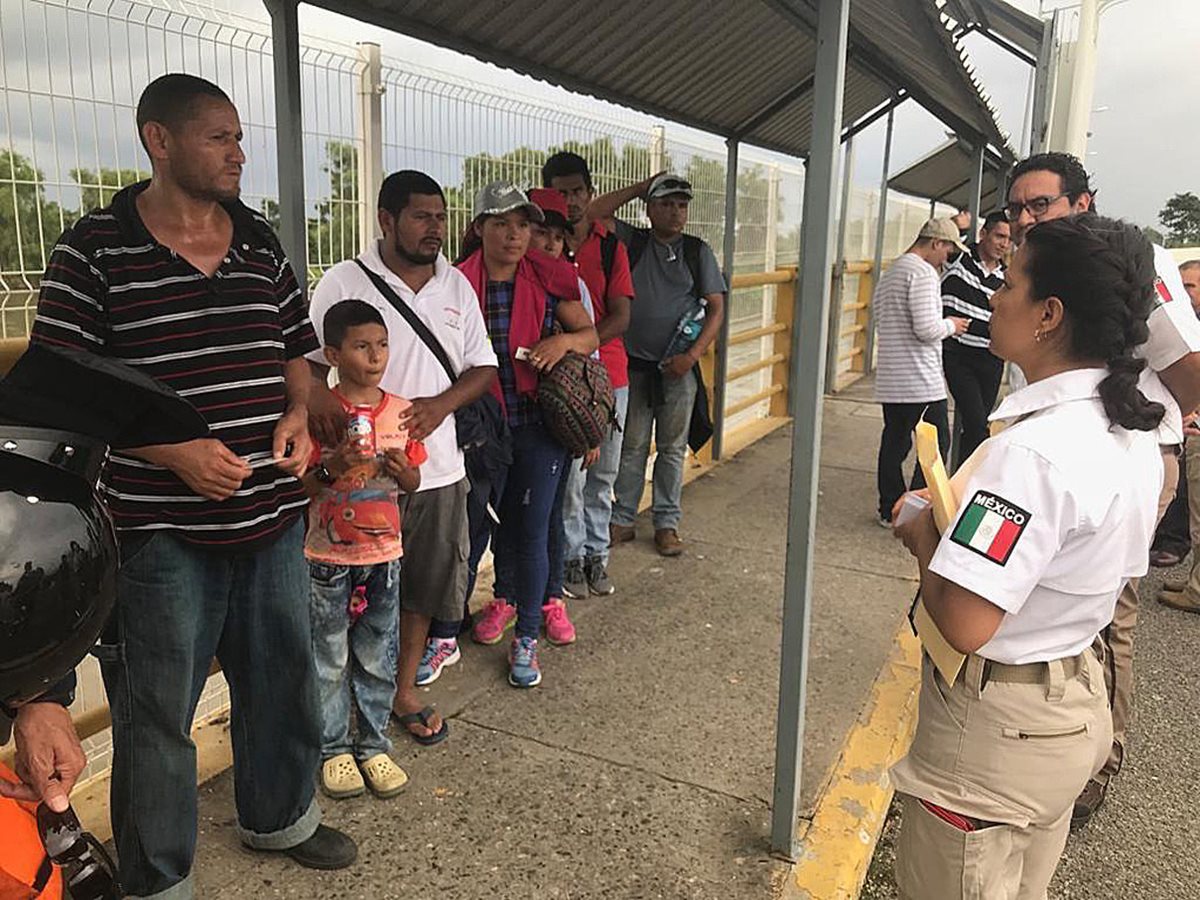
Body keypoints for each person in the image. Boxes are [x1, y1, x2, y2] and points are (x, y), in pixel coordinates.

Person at [27, 73, 357, 897]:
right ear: (159, 141)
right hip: (158, 528)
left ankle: (282, 818)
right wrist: (175, 453)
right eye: (220, 137)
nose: (239, 154)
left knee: (279, 678)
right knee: (156, 713)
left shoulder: (258, 239)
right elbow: (58, 392)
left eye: (240, 137)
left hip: (272, 512)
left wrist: (296, 408)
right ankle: (158, 875)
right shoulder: (92, 250)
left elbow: (296, 346)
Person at [891, 215, 1164, 899]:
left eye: (1008, 283)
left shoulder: (1032, 454)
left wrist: (922, 526)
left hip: (995, 738)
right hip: (1067, 704)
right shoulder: (1131, 432)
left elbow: (964, 620)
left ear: (1049, 313)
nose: (993, 297)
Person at [1004, 152, 1200, 825]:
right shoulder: (1039, 268)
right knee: (1054, 607)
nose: (1026, 218)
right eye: (1018, 209)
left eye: (1041, 205)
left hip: (1118, 448)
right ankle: (1051, 743)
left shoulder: (1125, 257)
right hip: (1065, 449)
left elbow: (1187, 361)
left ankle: (1095, 764)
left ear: (1082, 204)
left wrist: (1156, 429)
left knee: (1104, 612)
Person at [306, 171, 498, 725]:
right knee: (342, 596)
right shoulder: (344, 282)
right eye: (421, 216)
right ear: (387, 220)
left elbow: (483, 366)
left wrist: (440, 407)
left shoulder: (456, 284)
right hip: (355, 481)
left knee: (419, 589)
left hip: (432, 471)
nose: (435, 227)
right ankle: (338, 707)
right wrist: (335, 430)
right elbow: (307, 370)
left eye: (441, 216)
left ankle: (402, 690)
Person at [456, 181, 598, 687]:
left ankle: (528, 638)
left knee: (534, 530)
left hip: (537, 425)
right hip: (477, 431)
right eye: (501, 224)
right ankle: (448, 631)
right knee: (476, 532)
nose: (515, 235)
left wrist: (561, 342)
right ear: (480, 229)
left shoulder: (547, 278)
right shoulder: (454, 284)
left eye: (523, 225)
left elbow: (590, 336)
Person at [302, 300, 422, 800]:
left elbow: (416, 480)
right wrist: (333, 464)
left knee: (377, 655)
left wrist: (401, 471)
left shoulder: (401, 410)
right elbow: (307, 486)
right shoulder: (320, 414)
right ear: (332, 354)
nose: (375, 356)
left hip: (384, 558)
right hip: (326, 559)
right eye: (361, 346)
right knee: (327, 658)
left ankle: (373, 745)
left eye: (382, 345)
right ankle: (333, 750)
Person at [588, 172, 726, 557]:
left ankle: (667, 521)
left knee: (671, 447)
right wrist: (637, 187)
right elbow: (592, 213)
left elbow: (716, 307)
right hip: (635, 367)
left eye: (681, 205)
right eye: (665, 204)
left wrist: (692, 356)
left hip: (678, 369)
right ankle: (624, 517)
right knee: (631, 446)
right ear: (649, 209)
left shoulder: (697, 252)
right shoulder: (632, 242)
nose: (675, 213)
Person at [541, 151, 635, 597]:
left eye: (577, 191)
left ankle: (598, 554)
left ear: (590, 194)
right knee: (571, 477)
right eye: (561, 192)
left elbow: (620, 316)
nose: (571, 200)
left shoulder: (611, 245)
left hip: (609, 378)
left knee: (604, 473)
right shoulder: (543, 246)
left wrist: (581, 341)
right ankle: (572, 557)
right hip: (558, 382)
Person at [873, 218, 971, 526]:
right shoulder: (923, 273)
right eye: (948, 250)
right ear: (936, 243)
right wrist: (952, 326)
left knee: (895, 443)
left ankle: (889, 508)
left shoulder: (892, 272)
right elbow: (927, 329)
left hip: (892, 378)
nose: (947, 258)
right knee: (935, 446)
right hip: (920, 381)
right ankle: (914, 512)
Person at [941, 211, 1011, 466]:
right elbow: (939, 238)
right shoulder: (959, 258)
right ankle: (963, 484)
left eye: (1008, 239)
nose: (1004, 244)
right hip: (959, 355)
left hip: (991, 359)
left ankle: (961, 480)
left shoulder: (1007, 278)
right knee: (977, 426)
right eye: (999, 236)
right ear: (983, 234)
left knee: (977, 427)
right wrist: (957, 224)